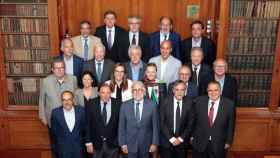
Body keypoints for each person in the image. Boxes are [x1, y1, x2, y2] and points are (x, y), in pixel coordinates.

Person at [39, 59, 78, 156]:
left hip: (70, 118)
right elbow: (41, 100)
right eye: (57, 68)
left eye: (62, 67)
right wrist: (43, 118)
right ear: (52, 69)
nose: (60, 70)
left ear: (65, 68)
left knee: (70, 144)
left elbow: (76, 98)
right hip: (53, 120)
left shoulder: (73, 79)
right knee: (55, 145)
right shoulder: (45, 81)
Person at [192, 81, 236, 158]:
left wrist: (228, 141)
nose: (213, 93)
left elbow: (231, 124)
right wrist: (192, 136)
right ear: (207, 91)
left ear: (220, 91)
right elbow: (193, 121)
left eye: (216, 90)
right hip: (199, 142)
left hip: (219, 143)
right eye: (210, 90)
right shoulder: (198, 101)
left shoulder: (229, 104)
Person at [118, 81, 159, 158]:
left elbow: (155, 127)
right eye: (135, 90)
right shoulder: (124, 106)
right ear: (132, 92)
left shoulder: (152, 105)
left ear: (144, 91)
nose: (137, 92)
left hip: (147, 145)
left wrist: (154, 143)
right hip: (129, 145)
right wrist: (122, 144)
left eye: (140, 90)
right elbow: (121, 127)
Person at [85, 83, 121, 158]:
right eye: (103, 92)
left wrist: (118, 141)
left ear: (111, 93)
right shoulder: (91, 103)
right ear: (98, 93)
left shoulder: (118, 104)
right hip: (96, 144)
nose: (105, 95)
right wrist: (88, 142)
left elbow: (121, 124)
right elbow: (87, 124)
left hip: (113, 145)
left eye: (108, 92)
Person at [160, 80, 194, 158]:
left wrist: (180, 139)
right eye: (177, 89)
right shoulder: (165, 102)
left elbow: (190, 124)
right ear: (173, 90)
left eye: (182, 90)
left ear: (185, 91)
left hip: (182, 143)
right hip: (167, 142)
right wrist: (171, 139)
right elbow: (162, 123)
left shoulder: (190, 103)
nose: (179, 92)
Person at [51, 91, 86, 158]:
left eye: (69, 99)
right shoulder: (55, 113)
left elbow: (85, 129)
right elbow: (54, 133)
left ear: (73, 100)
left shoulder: (81, 111)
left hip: (78, 149)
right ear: (61, 101)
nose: (66, 102)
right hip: (63, 150)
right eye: (64, 100)